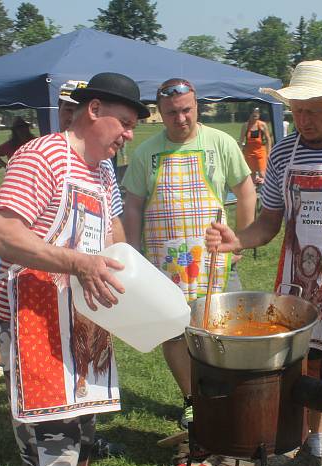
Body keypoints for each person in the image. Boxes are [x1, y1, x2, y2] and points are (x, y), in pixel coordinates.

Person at [204, 60, 322, 466]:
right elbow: (268, 222)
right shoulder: (282, 154)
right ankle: (312, 447)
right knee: (308, 369)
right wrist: (235, 240)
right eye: (297, 109)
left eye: (313, 110)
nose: (304, 118)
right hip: (300, 284)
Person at [0, 72, 146, 466]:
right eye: (125, 122)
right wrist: (79, 263)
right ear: (93, 111)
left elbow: (114, 231)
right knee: (54, 430)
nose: (129, 134)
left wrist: (135, 281)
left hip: (82, 313)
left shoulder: (101, 171)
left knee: (86, 423)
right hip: (31, 316)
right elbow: (1, 235)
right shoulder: (42, 157)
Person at [122, 78, 256, 429]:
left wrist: (241, 239)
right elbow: (133, 205)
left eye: (186, 110)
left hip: (214, 259)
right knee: (173, 333)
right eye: (171, 113)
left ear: (197, 107)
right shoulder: (145, 153)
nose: (180, 119)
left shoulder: (220, 143)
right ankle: (192, 399)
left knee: (224, 331)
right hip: (164, 265)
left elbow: (245, 191)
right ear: (159, 113)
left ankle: (228, 397)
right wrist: (133, 253)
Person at [240, 107, 272, 185]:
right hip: (249, 153)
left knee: (262, 173)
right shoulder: (246, 126)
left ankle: (266, 189)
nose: (255, 115)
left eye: (257, 113)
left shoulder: (262, 125)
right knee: (252, 173)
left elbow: (268, 139)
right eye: (253, 113)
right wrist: (241, 152)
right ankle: (254, 191)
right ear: (250, 114)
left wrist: (269, 152)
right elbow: (241, 140)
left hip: (260, 151)